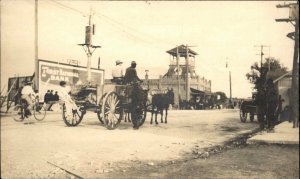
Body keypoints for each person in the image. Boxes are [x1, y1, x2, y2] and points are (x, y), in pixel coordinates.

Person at [124, 61, 143, 129]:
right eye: (135, 65)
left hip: (127, 83)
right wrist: (140, 80)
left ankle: (135, 124)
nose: (135, 66)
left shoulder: (127, 69)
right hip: (132, 84)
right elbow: (136, 77)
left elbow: (126, 76)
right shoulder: (133, 70)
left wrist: (126, 82)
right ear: (134, 65)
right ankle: (136, 125)